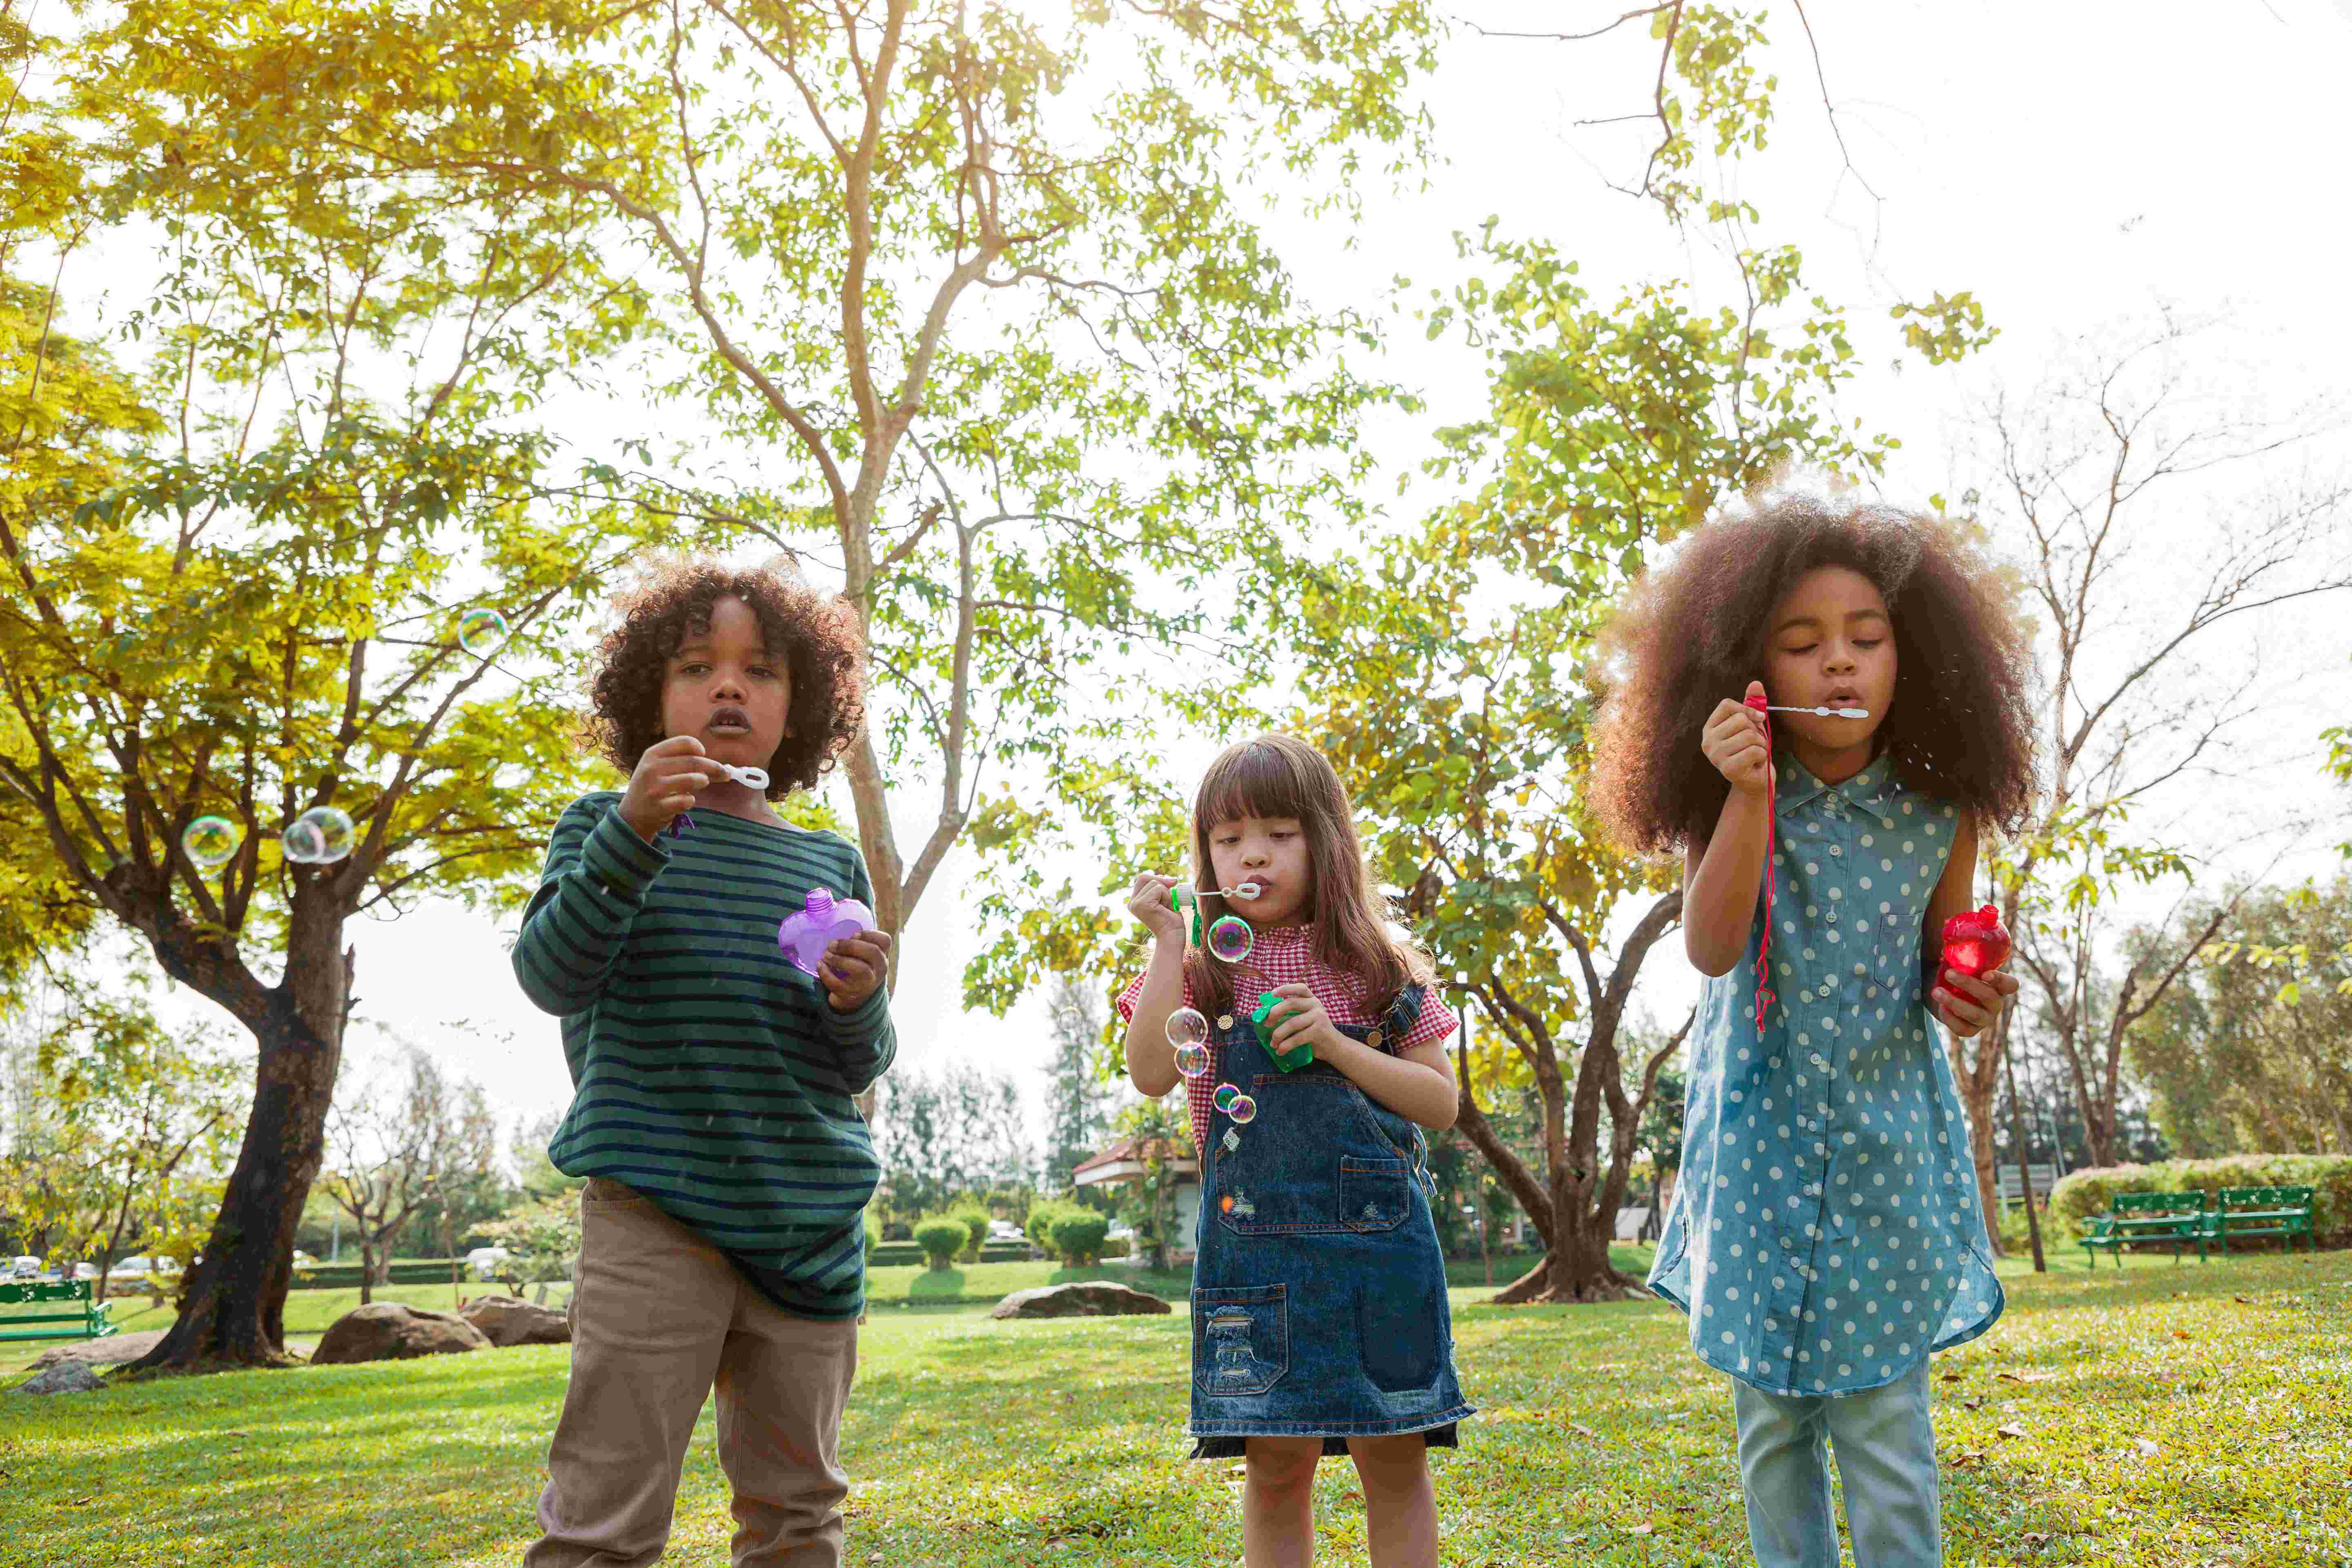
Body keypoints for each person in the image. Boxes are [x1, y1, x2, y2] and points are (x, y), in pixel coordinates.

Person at [1587, 496, 2041, 1568]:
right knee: (1774, 1427)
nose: (1838, 664)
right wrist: (1748, 795)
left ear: (1913, 655)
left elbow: (1949, 972)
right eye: (1802, 644)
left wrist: (1976, 997)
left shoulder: (1943, 811)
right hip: (1756, 1156)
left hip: (1888, 1150)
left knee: (1886, 1427)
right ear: (1751, 669)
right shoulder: (1730, 796)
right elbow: (1710, 947)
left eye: (1866, 640)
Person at [512, 559, 896, 1568]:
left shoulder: (828, 865)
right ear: (650, 694)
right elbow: (552, 974)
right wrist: (634, 832)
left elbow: (855, 1062)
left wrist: (859, 1000)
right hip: (655, 1219)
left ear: (800, 707)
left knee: (799, 1514)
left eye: (762, 672)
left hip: (807, 1227)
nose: (730, 687)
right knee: (603, 1519)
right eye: (696, 665)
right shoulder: (603, 829)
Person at [1117, 733, 1474, 1568]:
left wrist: (1339, 1047)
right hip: (1252, 1255)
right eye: (1229, 835)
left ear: (1326, 841)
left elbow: (1441, 1102)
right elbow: (1148, 1073)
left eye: (1280, 832)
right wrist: (1170, 942)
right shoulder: (1203, 972)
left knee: (1396, 1453)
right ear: (1203, 850)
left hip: (1379, 1254)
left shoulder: (1376, 966)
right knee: (1276, 1464)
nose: (1253, 854)